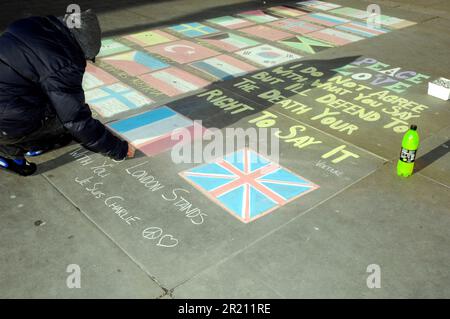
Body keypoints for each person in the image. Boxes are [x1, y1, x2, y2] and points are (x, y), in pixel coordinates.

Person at [0, 9, 135, 177]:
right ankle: (12, 152)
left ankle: (18, 141)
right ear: (82, 47)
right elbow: (75, 120)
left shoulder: (30, 25)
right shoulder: (64, 62)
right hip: (5, 120)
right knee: (63, 120)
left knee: (54, 103)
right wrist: (117, 148)